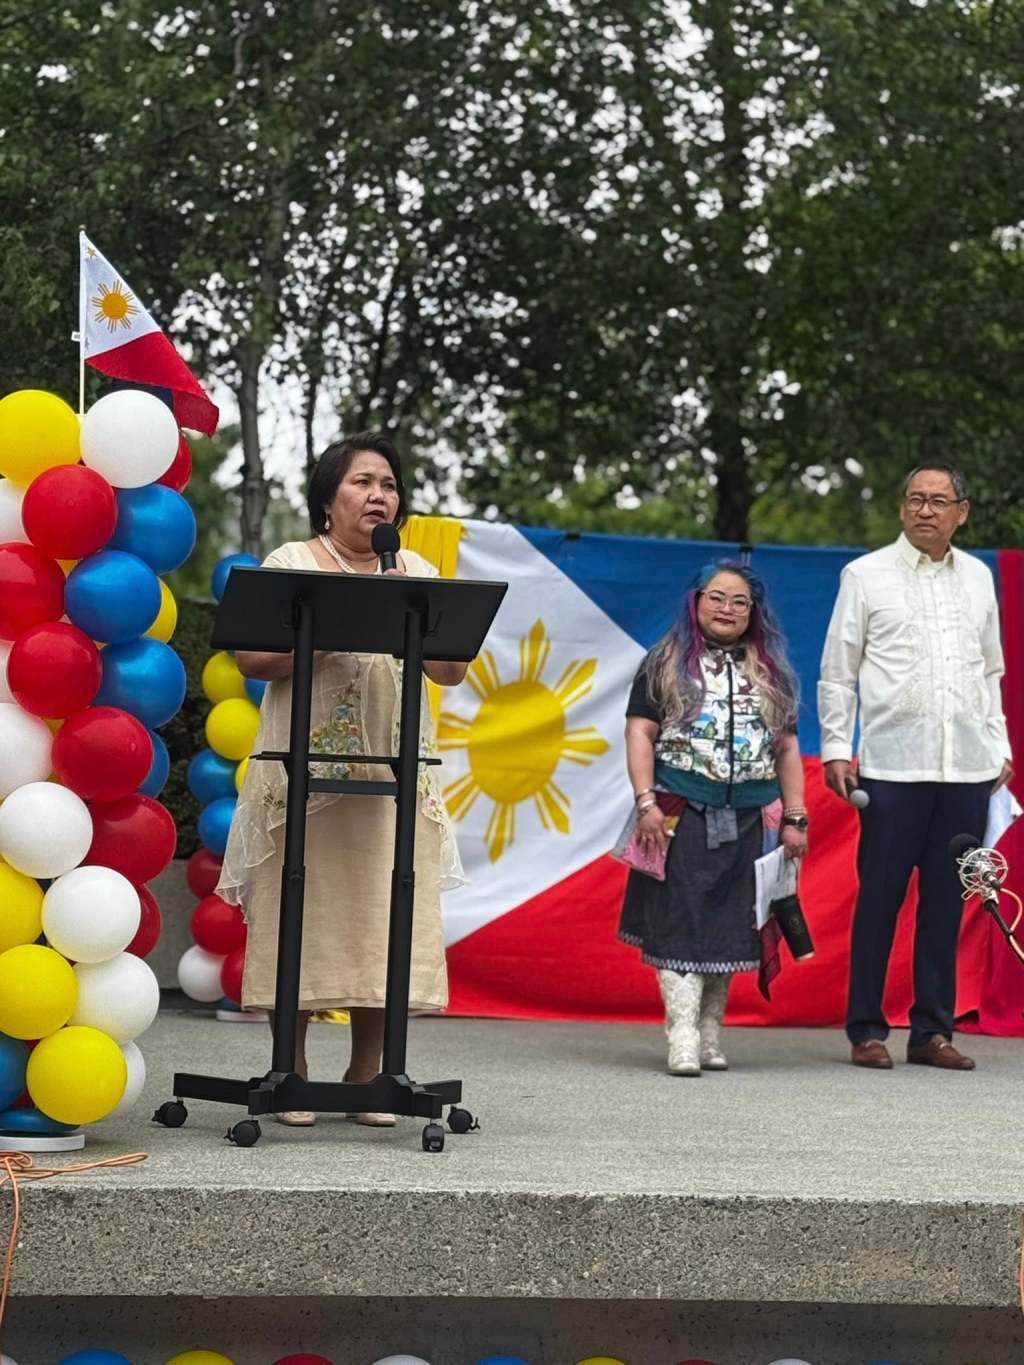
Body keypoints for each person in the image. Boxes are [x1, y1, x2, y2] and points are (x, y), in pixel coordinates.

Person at [217, 431, 466, 1125]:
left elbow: (450, 668)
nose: (379, 494)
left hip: (390, 774)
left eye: (388, 484)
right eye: (363, 482)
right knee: (300, 909)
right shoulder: (292, 561)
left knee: (380, 915)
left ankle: (370, 1072)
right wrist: (344, 618)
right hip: (305, 779)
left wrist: (400, 598)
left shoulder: (411, 565)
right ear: (329, 499)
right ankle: (288, 1066)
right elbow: (256, 658)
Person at [818, 464, 1014, 1071]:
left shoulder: (979, 579)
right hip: (891, 769)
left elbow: (990, 672)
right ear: (902, 508)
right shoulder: (866, 575)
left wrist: (999, 744)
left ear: (963, 510)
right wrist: (832, 748)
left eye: (939, 500)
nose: (925, 510)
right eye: (915, 499)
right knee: (879, 897)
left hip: (966, 768)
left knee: (946, 903)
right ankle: (866, 1030)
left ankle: (932, 1031)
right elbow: (837, 670)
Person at [618, 561, 807, 1076]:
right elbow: (640, 733)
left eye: (739, 601)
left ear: (753, 611)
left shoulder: (772, 671)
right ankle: (679, 1035)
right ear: (696, 602)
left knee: (730, 925)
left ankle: (708, 1036)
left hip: (749, 817)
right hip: (678, 812)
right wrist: (645, 803)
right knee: (681, 922)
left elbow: (787, 749)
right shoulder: (665, 661)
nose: (727, 609)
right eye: (716, 598)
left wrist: (796, 818)